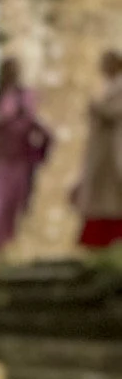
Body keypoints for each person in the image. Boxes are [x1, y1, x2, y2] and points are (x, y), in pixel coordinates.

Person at [0, 56, 51, 257]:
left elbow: (32, 122)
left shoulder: (25, 96)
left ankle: (5, 245)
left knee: (17, 201)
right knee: (1, 201)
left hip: (21, 157)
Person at [71, 48, 122, 251]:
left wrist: (99, 109)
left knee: (112, 194)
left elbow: (116, 112)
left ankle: (111, 237)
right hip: (101, 149)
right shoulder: (109, 87)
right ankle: (99, 240)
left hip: (114, 148)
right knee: (99, 195)